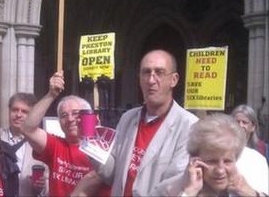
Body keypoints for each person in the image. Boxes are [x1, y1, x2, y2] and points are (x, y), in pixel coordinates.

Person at [76, 49, 199, 196]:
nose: (151, 80)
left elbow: (174, 185)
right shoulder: (127, 118)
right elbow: (110, 174)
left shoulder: (189, 126)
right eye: (146, 72)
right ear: (139, 79)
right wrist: (89, 141)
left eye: (159, 72)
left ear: (174, 79)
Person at [20, 71, 111, 197]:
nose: (70, 119)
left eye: (75, 113)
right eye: (64, 115)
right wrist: (51, 95)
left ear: (87, 116)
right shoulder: (56, 146)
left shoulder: (104, 151)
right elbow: (27, 128)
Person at [157, 113, 267, 197]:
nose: (220, 170)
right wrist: (188, 192)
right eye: (212, 161)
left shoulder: (251, 184)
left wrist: (252, 194)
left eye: (227, 161)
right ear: (195, 160)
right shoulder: (167, 190)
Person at [0, 92, 49, 197]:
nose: (18, 115)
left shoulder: (41, 144)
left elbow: (49, 185)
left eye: (24, 112)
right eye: (15, 110)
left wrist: (41, 187)